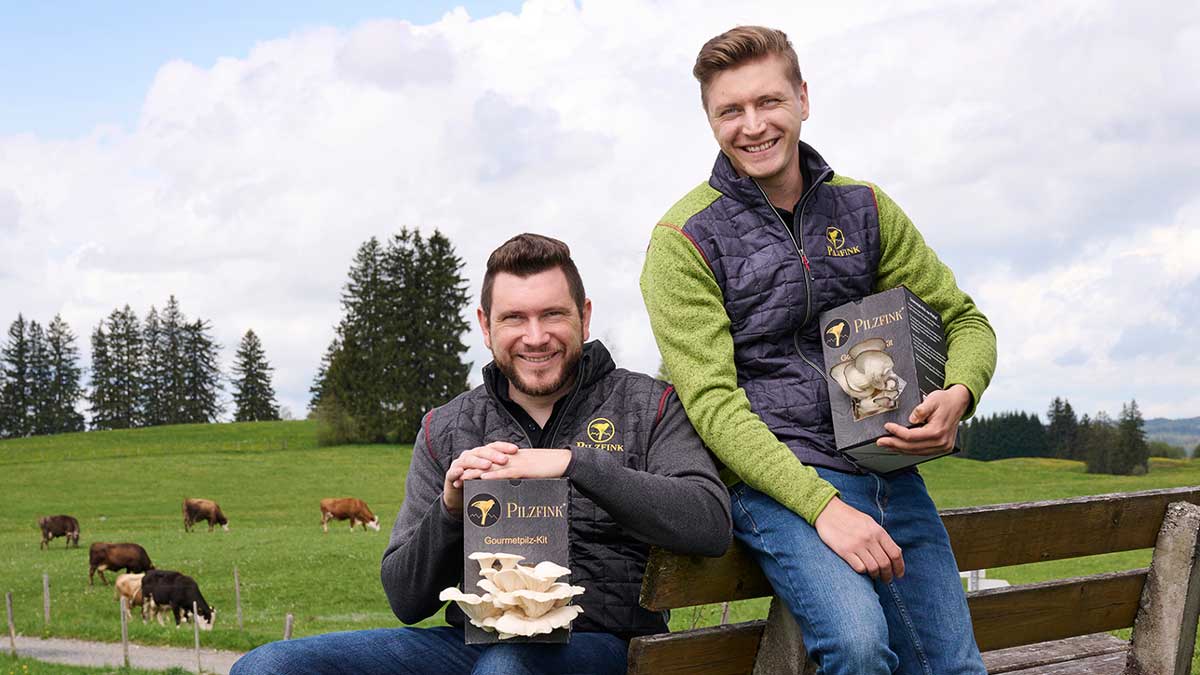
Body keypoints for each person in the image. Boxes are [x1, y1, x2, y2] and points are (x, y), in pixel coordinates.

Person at [640, 26, 997, 675]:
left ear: (803, 98)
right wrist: (824, 508)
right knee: (858, 646)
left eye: (769, 101)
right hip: (774, 481)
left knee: (954, 667)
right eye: (730, 110)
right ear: (710, 119)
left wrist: (959, 393)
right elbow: (714, 406)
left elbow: (963, 320)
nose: (753, 125)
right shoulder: (683, 240)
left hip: (886, 468)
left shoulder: (864, 208)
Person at [233, 233, 731, 675]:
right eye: (514, 318)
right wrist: (450, 509)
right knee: (267, 665)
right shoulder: (446, 427)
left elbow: (709, 523)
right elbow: (405, 600)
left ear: (583, 317)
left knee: (508, 666)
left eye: (553, 314)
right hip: (471, 646)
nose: (535, 336)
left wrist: (574, 464)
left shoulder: (648, 405)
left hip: (603, 645)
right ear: (485, 325)